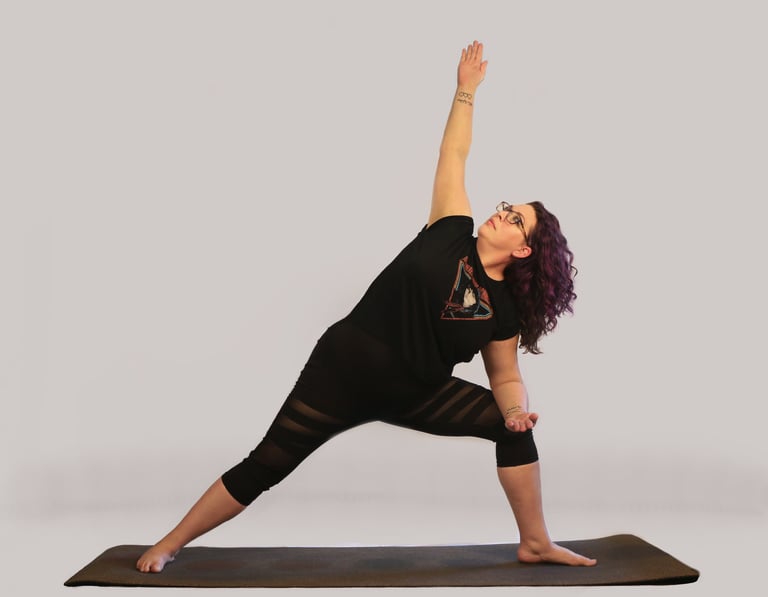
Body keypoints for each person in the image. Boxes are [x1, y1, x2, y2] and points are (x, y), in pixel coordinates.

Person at [136, 40, 597, 573]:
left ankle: (536, 542)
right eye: (506, 207)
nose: (501, 215)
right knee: (267, 463)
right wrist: (466, 91)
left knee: (511, 427)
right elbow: (454, 155)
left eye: (516, 220)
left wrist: (515, 412)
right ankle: (171, 542)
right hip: (341, 373)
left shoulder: (504, 311)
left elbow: (505, 374)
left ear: (523, 251)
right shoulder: (450, 230)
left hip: (415, 393)